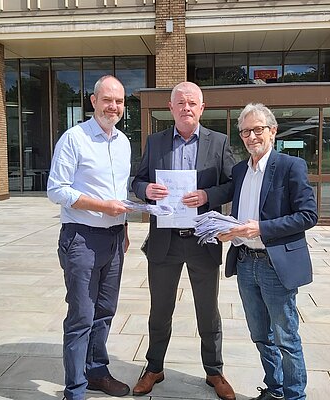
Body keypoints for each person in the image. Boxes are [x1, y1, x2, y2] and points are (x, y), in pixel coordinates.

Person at [131, 82, 236, 400]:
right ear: (170, 107)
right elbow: (137, 180)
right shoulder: (156, 141)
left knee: (208, 310)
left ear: (202, 108)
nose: (186, 107)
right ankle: (154, 367)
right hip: (165, 240)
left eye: (193, 102)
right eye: (181, 102)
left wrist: (208, 194)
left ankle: (214, 371)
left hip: (203, 239)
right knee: (159, 310)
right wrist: (145, 190)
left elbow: (233, 184)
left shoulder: (219, 142)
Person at [218, 103, 318, 400]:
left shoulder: (290, 166)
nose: (251, 136)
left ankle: (294, 396)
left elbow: (308, 215)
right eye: (245, 131)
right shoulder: (239, 171)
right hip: (246, 263)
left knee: (286, 337)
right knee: (261, 335)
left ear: (272, 131)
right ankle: (274, 390)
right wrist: (229, 230)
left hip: (275, 264)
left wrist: (261, 228)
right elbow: (238, 214)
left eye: (257, 129)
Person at [47, 75, 131, 400]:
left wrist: (124, 228)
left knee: (105, 311)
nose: (114, 106)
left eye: (119, 101)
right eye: (107, 100)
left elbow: (120, 194)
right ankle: (75, 390)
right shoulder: (74, 139)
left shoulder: (123, 143)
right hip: (81, 238)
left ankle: (96, 372)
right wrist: (102, 206)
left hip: (113, 241)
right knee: (82, 315)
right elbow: (56, 190)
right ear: (93, 102)